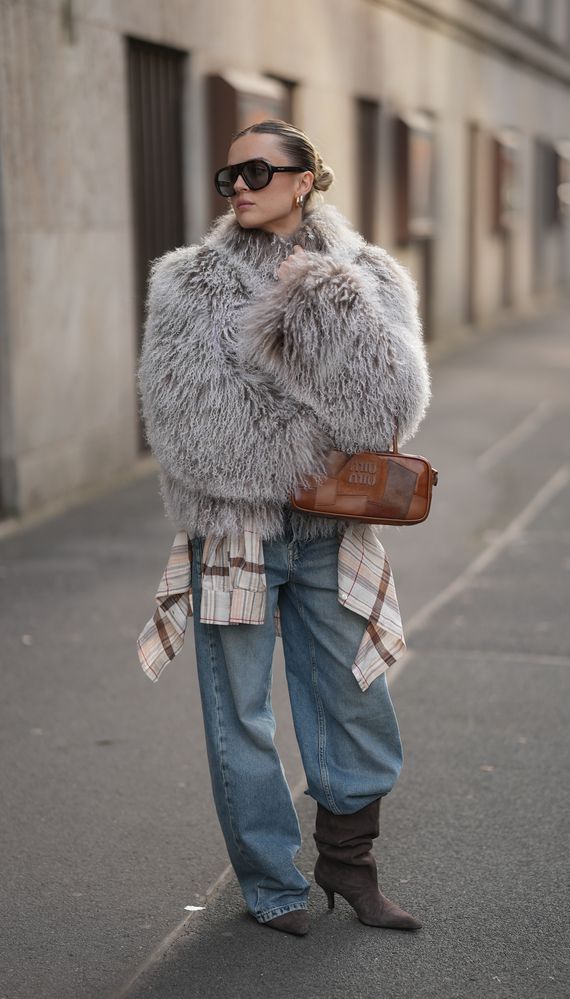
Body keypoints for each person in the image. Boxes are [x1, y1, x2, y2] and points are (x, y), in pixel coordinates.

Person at [137, 119, 431, 937]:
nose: (238, 186)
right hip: (235, 533)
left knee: (353, 699)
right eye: (228, 175)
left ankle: (349, 864)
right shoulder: (188, 281)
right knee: (240, 715)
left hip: (332, 533)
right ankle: (271, 884)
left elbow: (389, 413)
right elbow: (185, 427)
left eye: (257, 172)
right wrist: (305, 453)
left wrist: (325, 302)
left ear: (305, 179)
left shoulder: (366, 275)